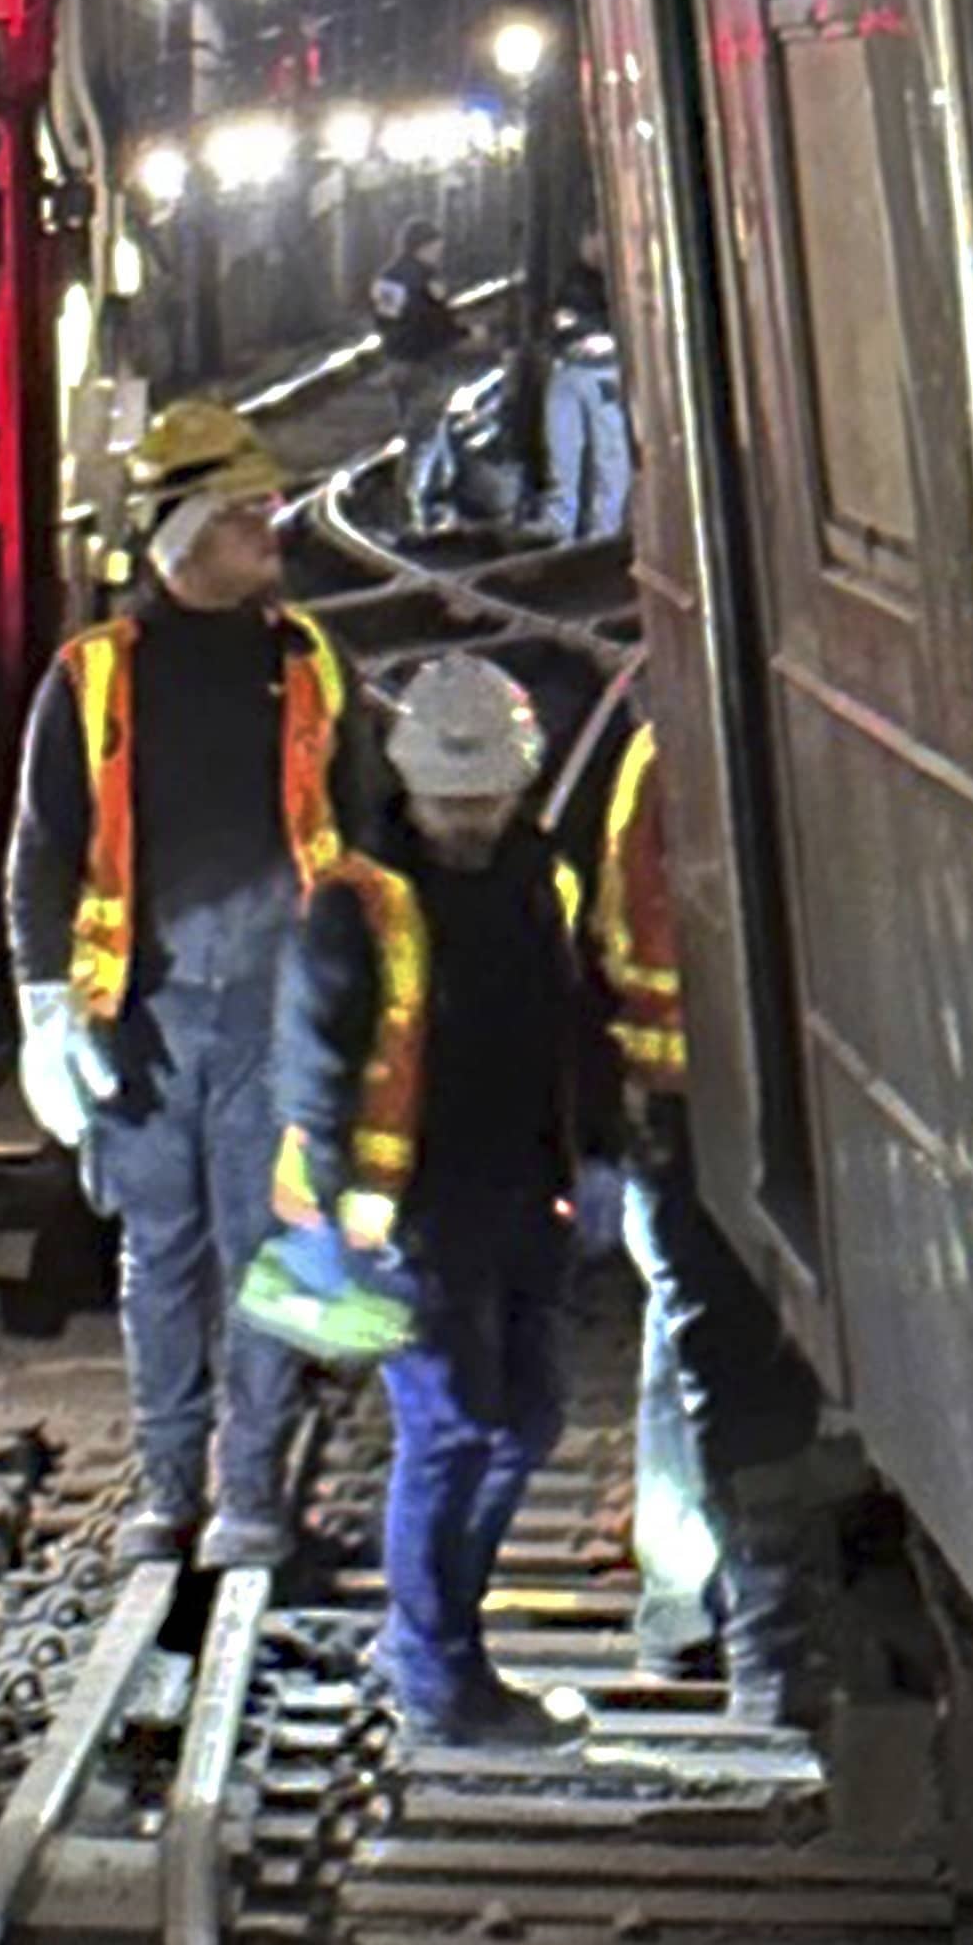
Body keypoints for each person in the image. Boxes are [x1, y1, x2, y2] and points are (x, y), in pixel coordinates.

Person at [6, 398, 355, 1569]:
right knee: (159, 1252)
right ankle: (170, 1488)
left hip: (278, 1010)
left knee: (263, 1246)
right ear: (185, 530)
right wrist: (46, 1008)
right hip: (145, 1014)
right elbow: (42, 853)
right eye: (249, 511)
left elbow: (365, 838)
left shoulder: (306, 666)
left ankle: (248, 1496)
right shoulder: (94, 677)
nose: (273, 528)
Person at [280, 650, 611, 1755]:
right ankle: (436, 1669)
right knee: (454, 1425)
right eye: (451, 801)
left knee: (527, 1421)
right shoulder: (358, 901)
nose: (470, 819)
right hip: (408, 1212)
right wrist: (339, 1208)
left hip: (521, 1192)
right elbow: (315, 1067)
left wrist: (600, 1151)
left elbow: (576, 1021)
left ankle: (433, 1645)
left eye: (487, 799)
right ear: (411, 786)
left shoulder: (540, 876)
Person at [579, 688, 809, 1722]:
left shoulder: (666, 753)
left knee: (688, 1359)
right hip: (684, 1117)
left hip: (690, 1111)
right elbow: (636, 942)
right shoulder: (671, 761)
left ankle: (685, 1615)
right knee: (713, 1363)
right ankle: (735, 1636)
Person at [540, 260, 635, 547]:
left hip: (595, 371)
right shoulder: (581, 282)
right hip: (582, 370)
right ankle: (577, 529)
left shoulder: (610, 282)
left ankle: (596, 531)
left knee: (604, 455)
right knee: (572, 453)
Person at [369, 226, 469, 468]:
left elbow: (384, 320)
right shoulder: (427, 278)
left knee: (412, 426)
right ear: (423, 247)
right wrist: (465, 334)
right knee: (426, 434)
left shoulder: (387, 277)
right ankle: (414, 491)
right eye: (436, 247)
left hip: (396, 361)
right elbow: (436, 322)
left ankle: (428, 478)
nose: (439, 252)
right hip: (426, 362)